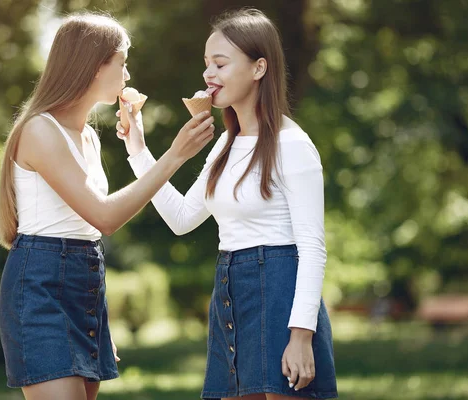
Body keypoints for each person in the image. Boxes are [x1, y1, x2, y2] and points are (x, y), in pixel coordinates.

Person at [116, 8, 337, 400]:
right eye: (206, 64)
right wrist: (138, 149)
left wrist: (301, 336)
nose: (208, 74)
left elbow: (313, 249)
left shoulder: (293, 145)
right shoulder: (226, 144)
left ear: (258, 68)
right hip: (231, 293)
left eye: (220, 63)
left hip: (279, 293)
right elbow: (182, 218)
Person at [0, 12, 215, 400]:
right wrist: (175, 156)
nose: (128, 76)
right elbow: (105, 216)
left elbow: (90, 233)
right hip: (40, 288)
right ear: (95, 67)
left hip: (85, 282)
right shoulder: (40, 131)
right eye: (122, 63)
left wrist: (140, 149)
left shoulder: (91, 141)